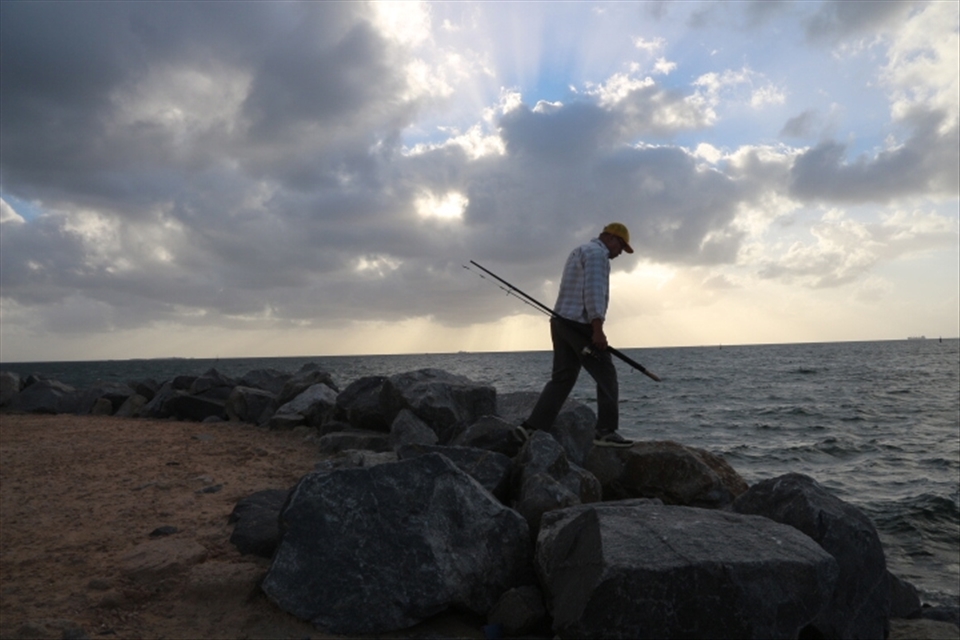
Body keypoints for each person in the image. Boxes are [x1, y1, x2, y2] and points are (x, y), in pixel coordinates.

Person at [517, 223, 636, 448]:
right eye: (621, 246)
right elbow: (593, 292)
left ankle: (531, 428)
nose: (620, 253)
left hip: (559, 321)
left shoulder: (579, 250)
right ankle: (605, 431)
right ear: (611, 238)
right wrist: (597, 329)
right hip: (580, 325)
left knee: (562, 378)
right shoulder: (598, 255)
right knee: (607, 375)